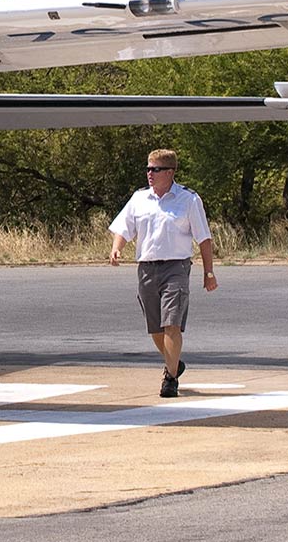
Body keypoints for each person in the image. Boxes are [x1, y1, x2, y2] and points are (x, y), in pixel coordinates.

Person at [108, 148, 217, 398]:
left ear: (170, 172)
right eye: (148, 168)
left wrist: (208, 272)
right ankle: (175, 363)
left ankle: (170, 379)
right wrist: (116, 248)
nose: (149, 174)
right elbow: (123, 228)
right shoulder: (139, 199)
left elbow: (204, 239)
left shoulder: (189, 199)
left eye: (155, 169)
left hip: (176, 268)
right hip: (146, 268)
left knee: (172, 324)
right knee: (155, 328)